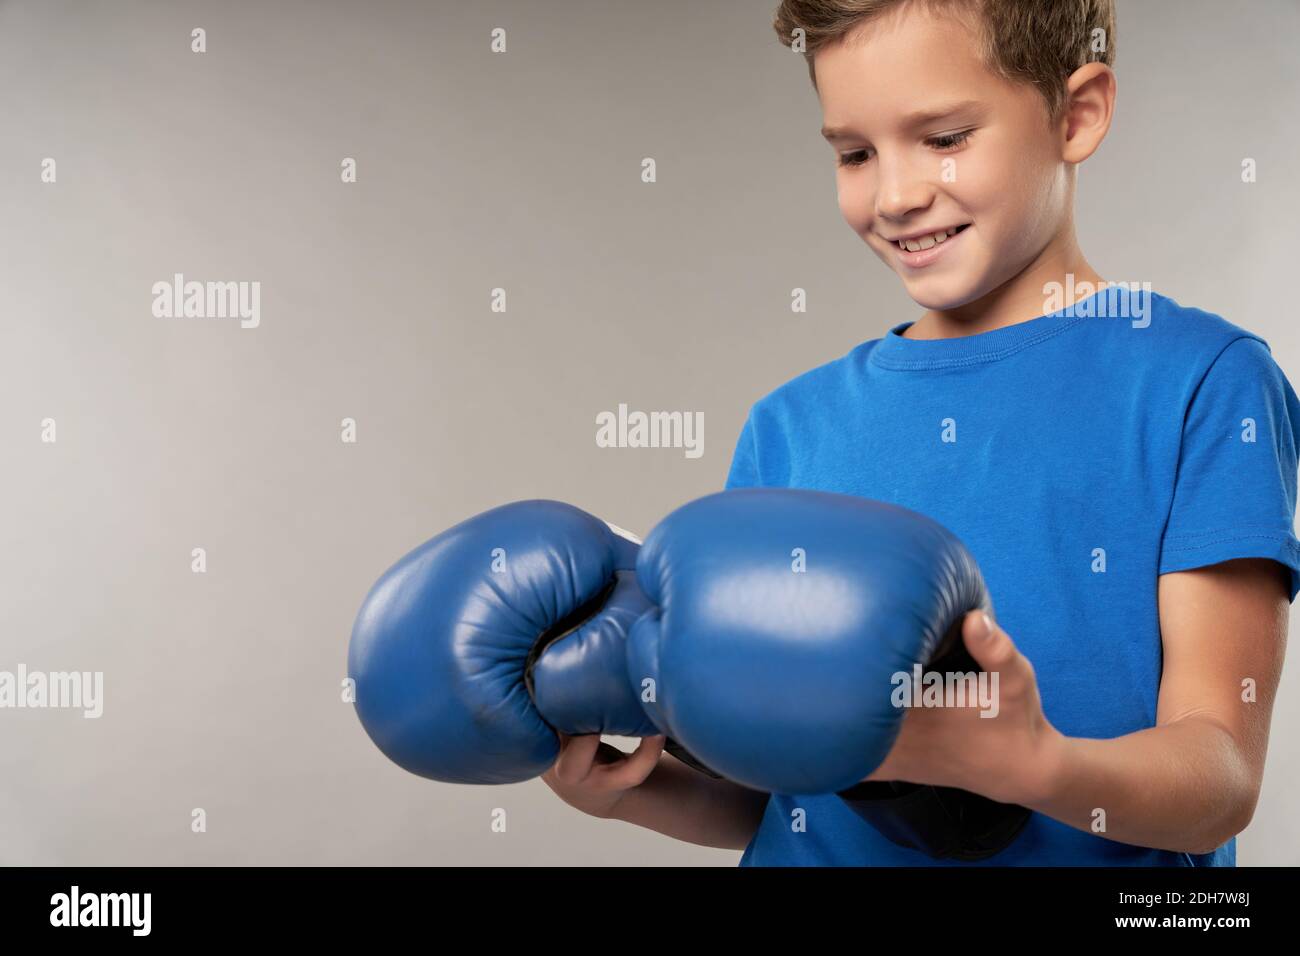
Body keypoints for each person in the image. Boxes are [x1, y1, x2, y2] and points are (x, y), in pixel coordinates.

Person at [543, 0, 1299, 865]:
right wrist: (631, 792)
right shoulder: (789, 425)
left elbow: (1220, 775)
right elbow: (781, 806)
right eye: (855, 153)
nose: (896, 195)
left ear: (1076, 115)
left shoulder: (1204, 382)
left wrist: (1037, 767)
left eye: (944, 138)